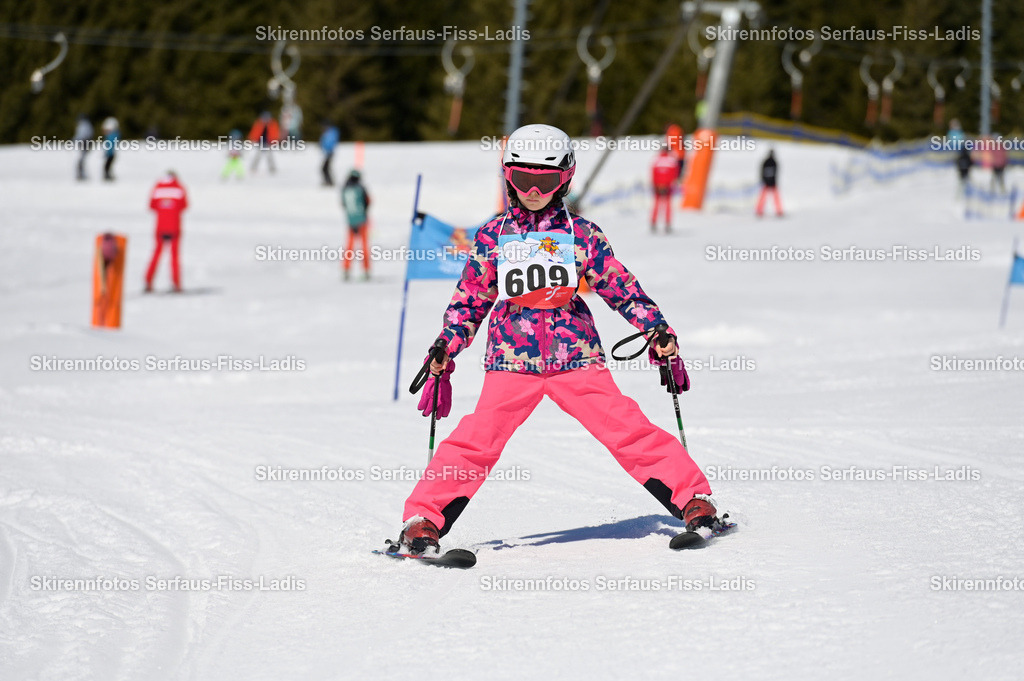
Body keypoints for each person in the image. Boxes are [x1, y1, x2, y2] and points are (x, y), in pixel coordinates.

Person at [395, 123, 720, 555]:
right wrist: (445, 347)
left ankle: (693, 499)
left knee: (627, 428)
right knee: (476, 440)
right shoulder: (493, 237)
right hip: (512, 360)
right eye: (522, 179)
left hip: (576, 358)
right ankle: (424, 520)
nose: (532, 190)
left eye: (544, 180)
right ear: (508, 177)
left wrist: (655, 328)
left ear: (564, 178)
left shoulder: (580, 234)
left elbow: (618, 286)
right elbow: (471, 300)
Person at [144, 171, 188, 293]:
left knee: (156, 254)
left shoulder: (157, 187)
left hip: (160, 227)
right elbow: (184, 205)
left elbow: (152, 206)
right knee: (174, 256)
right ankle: (176, 283)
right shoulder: (179, 187)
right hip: (174, 226)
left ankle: (148, 281)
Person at [341, 169, 371, 281]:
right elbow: (368, 201)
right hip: (361, 220)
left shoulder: (345, 190)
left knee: (349, 246)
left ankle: (346, 269)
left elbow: (343, 204)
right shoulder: (361, 188)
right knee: (363, 246)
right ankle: (366, 270)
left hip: (350, 221)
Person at [650, 145, 679, 233]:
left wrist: (655, 185)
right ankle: (667, 223)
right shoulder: (672, 160)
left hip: (657, 185)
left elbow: (653, 174)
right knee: (667, 205)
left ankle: (653, 223)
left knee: (656, 205)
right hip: (668, 186)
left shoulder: (656, 160)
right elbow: (674, 175)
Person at [756, 149, 783, 217]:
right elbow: (762, 172)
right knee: (763, 197)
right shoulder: (769, 162)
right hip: (767, 183)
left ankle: (779, 211)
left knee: (775, 198)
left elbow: (775, 173)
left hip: (770, 183)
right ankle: (759, 210)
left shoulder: (772, 162)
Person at [72, 115, 93, 181]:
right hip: (86, 143)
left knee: (81, 160)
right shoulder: (88, 125)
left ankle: (81, 174)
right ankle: (81, 174)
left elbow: (81, 136)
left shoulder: (83, 126)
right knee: (82, 159)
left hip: (84, 143)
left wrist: (74, 140)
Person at [320, 122, 340, 186]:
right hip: (328, 152)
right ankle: (329, 181)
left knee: (324, 168)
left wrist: (327, 149)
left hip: (329, 152)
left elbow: (330, 142)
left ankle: (329, 182)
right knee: (325, 168)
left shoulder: (331, 133)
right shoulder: (328, 133)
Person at [101, 117, 120, 182]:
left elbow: (110, 145)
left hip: (110, 153)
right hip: (111, 153)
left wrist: (108, 152)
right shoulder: (114, 134)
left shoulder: (112, 135)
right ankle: (108, 176)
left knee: (107, 166)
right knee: (107, 166)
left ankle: (107, 176)